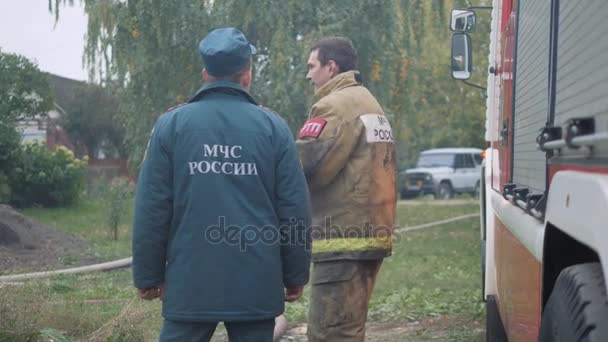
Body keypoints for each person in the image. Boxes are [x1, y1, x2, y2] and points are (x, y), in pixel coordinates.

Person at [132, 27, 312, 342]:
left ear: (205, 73)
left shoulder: (171, 126)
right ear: (247, 74)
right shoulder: (274, 128)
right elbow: (294, 208)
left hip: (190, 282)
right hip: (255, 283)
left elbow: (152, 207)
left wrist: (148, 275)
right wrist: (295, 274)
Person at [296, 37, 397, 342]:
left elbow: (308, 166)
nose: (309, 75)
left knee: (330, 333)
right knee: (349, 330)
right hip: (371, 232)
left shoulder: (334, 106)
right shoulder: (367, 101)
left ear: (331, 67)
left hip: (342, 235)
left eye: (312, 66)